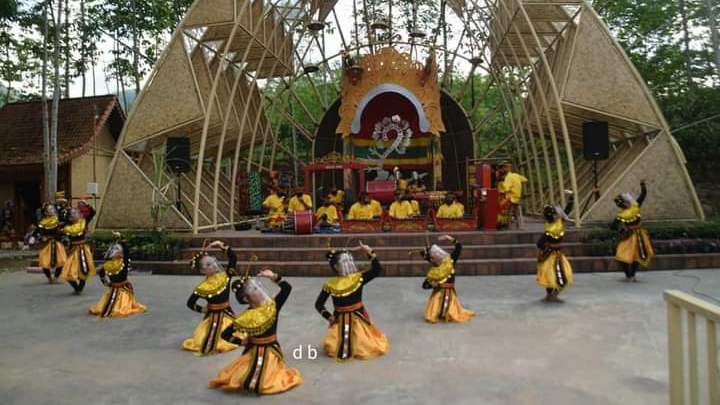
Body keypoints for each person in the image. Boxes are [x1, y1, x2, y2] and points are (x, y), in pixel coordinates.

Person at [209, 269, 303, 394]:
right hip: (253, 351)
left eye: (258, 285)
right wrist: (241, 341)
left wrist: (273, 276)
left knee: (262, 383)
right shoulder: (245, 317)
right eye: (253, 289)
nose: (259, 289)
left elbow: (287, 289)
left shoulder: (272, 306)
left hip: (271, 351)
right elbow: (225, 334)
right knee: (248, 381)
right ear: (246, 299)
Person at [315, 242, 389, 360]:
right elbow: (318, 304)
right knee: (333, 346)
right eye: (344, 263)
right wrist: (329, 317)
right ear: (336, 267)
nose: (349, 265)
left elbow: (377, 269)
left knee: (365, 345)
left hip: (358, 319)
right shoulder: (330, 284)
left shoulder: (358, 278)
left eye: (350, 261)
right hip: (339, 320)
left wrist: (368, 251)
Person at [183, 240, 240, 355]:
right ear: (202, 271)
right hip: (211, 317)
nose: (213, 265)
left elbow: (233, 258)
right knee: (201, 339)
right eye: (208, 265)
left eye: (213, 262)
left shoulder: (225, 277)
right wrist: (202, 309)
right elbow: (190, 303)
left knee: (231, 335)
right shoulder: (203, 287)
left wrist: (221, 246)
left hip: (227, 315)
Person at [419, 235, 475, 323]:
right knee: (432, 313)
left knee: (451, 310)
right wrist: (432, 285)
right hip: (438, 293)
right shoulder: (433, 271)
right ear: (432, 260)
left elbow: (459, 247)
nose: (437, 258)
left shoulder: (450, 261)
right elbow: (424, 285)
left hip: (450, 293)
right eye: (433, 258)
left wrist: (449, 238)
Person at [89, 232, 146, 318]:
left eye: (117, 249)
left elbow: (127, 252)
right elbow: (101, 274)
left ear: (121, 252)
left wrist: (121, 239)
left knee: (120, 308)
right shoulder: (108, 265)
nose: (114, 251)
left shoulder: (123, 262)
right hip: (113, 289)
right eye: (113, 249)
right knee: (104, 307)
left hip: (123, 290)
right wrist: (107, 283)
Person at [611, 181, 654, 282]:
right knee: (636, 256)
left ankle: (629, 276)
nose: (630, 200)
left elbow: (612, 226)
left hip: (630, 237)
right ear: (625, 203)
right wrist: (643, 186)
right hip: (639, 235)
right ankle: (631, 276)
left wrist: (623, 229)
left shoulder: (622, 215)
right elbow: (643, 195)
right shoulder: (635, 207)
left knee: (622, 255)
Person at [536, 193, 575, 303]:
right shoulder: (553, 227)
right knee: (557, 275)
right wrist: (552, 245)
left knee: (550, 274)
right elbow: (540, 243)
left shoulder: (552, 223)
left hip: (552, 255)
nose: (559, 214)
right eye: (557, 213)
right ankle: (552, 295)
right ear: (553, 216)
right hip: (553, 255)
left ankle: (551, 295)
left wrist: (570, 201)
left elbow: (565, 212)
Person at [59, 208, 96, 294]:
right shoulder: (67, 228)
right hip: (72, 251)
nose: (74, 214)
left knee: (83, 269)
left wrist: (86, 206)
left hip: (83, 250)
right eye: (71, 214)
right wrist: (64, 242)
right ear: (69, 218)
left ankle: (79, 289)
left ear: (80, 215)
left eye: (75, 213)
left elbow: (92, 213)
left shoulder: (83, 222)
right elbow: (59, 236)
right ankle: (76, 287)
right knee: (68, 271)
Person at [30, 203, 66, 284]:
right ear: (45, 213)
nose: (52, 210)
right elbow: (36, 231)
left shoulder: (58, 220)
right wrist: (32, 238)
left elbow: (64, 223)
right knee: (44, 261)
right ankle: (49, 278)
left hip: (57, 243)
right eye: (50, 209)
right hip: (46, 244)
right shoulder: (42, 222)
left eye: (53, 209)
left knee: (61, 260)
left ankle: (56, 277)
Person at [496, 163, 528, 229]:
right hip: (517, 198)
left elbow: (506, 189)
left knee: (500, 206)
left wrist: (501, 190)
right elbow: (525, 179)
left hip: (511, 199)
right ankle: (510, 220)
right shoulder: (516, 175)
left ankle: (502, 224)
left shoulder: (508, 178)